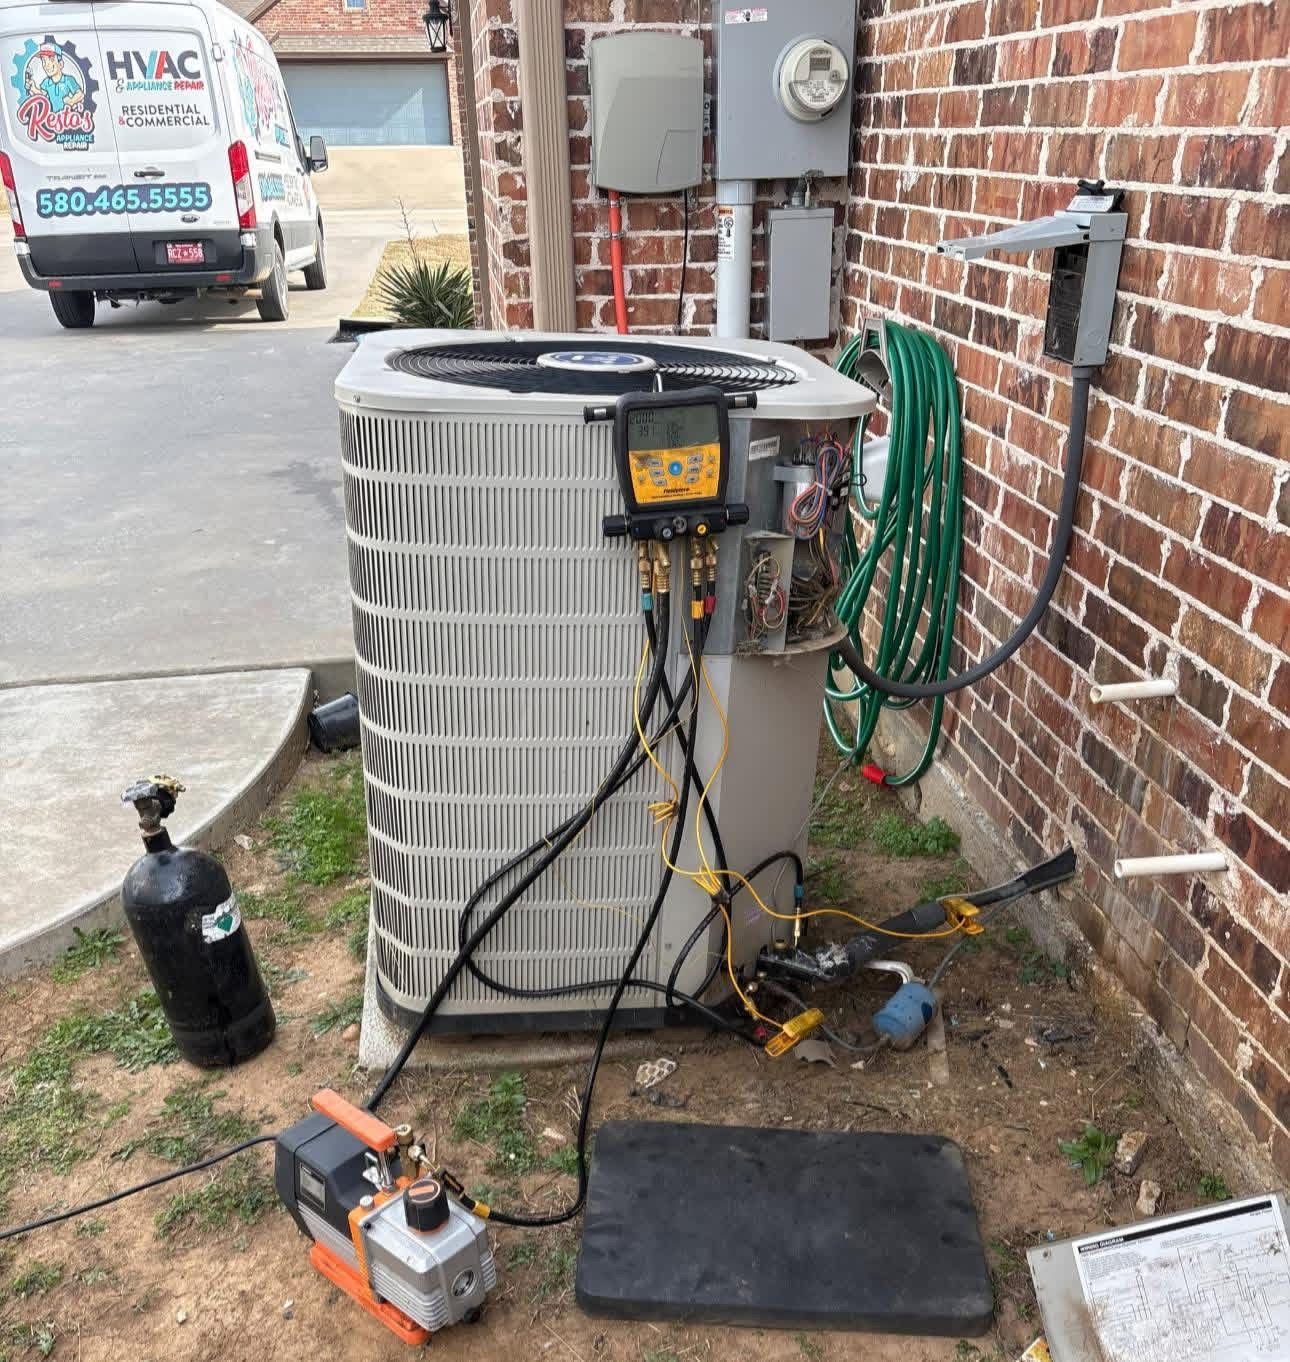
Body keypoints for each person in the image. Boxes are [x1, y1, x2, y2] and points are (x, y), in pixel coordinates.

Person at [35, 45, 84, 113]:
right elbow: (42, 95)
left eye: (51, 60)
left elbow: (80, 94)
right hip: (52, 116)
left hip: (67, 115)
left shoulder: (68, 80)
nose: (46, 65)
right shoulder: (46, 82)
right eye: (43, 61)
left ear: (60, 64)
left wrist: (72, 101)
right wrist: (33, 88)